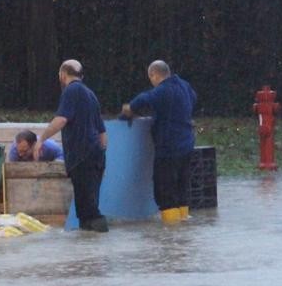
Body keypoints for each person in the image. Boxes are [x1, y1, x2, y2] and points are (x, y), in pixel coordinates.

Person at [35, 60, 109, 232]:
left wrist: (41, 139)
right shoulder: (91, 95)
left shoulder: (71, 90)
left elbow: (61, 119)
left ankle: (95, 249)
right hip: (95, 156)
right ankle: (90, 253)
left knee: (88, 211)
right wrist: (101, 158)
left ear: (62, 74)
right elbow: (103, 134)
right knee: (89, 205)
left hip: (82, 156)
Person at [121, 60, 197, 224]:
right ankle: (184, 226)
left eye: (151, 78)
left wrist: (129, 110)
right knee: (181, 188)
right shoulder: (184, 86)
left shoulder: (163, 90)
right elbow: (193, 99)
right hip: (187, 144)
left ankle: (170, 236)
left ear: (154, 75)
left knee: (165, 191)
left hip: (169, 148)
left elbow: (143, 99)